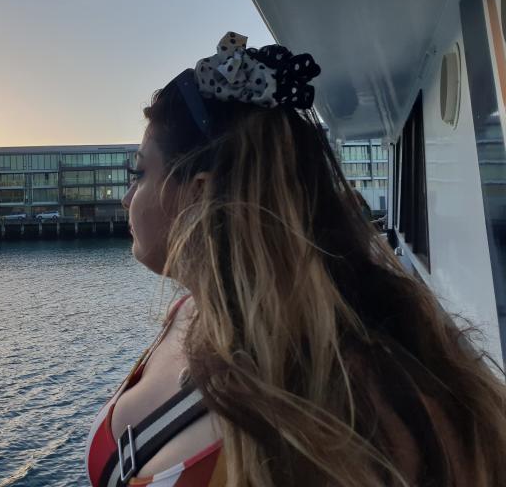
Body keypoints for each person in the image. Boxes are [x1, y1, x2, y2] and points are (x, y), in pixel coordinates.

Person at [85, 32, 506, 487]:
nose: (126, 197)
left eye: (139, 173)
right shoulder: (187, 311)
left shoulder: (348, 409)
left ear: (199, 194)